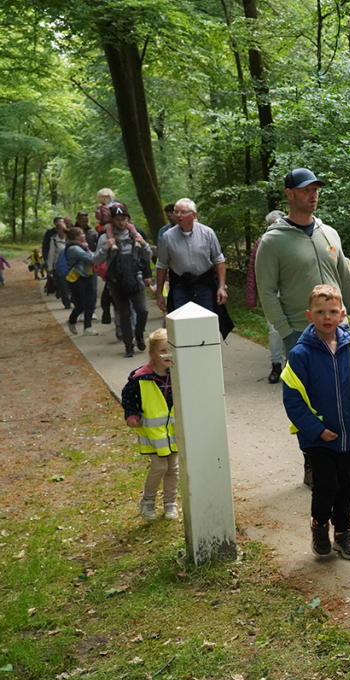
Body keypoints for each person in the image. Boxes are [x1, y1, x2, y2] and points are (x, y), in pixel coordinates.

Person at [255, 168, 350, 487]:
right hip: (301, 335)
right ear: (290, 194)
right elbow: (266, 292)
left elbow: (346, 282)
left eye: (316, 188)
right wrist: (286, 331)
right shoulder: (273, 241)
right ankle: (313, 465)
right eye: (306, 189)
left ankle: (348, 463)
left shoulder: (329, 233)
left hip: (342, 332)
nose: (313, 194)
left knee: (348, 395)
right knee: (311, 400)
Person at [282, 285, 350, 559]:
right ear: (310, 316)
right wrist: (317, 430)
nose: (327, 317)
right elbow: (293, 400)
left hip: (348, 434)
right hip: (318, 437)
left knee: (346, 487)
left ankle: (343, 533)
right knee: (326, 486)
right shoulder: (301, 354)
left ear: (342, 314)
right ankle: (319, 526)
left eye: (333, 312)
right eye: (320, 312)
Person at [121, 328, 178, 522]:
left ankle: (170, 503)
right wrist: (131, 414)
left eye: (170, 350)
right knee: (159, 467)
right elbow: (128, 398)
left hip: (173, 433)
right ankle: (148, 501)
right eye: (162, 350)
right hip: (152, 435)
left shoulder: (178, 374)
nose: (167, 355)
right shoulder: (140, 378)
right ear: (152, 353)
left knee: (173, 468)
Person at [95, 203, 151, 357]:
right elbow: (97, 260)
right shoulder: (104, 237)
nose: (121, 222)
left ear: (128, 219)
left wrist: (143, 243)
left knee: (142, 310)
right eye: (118, 219)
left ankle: (139, 334)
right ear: (112, 220)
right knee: (124, 313)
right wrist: (106, 247)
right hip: (116, 281)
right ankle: (129, 345)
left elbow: (147, 257)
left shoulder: (136, 234)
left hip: (135, 279)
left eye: (124, 218)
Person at [155, 198, 227, 314]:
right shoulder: (167, 237)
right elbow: (162, 265)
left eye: (183, 212)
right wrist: (159, 294)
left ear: (193, 215)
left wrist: (222, 286)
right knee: (182, 321)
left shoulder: (207, 233)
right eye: (176, 212)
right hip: (180, 286)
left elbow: (219, 260)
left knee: (206, 319)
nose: (178, 215)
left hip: (204, 285)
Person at [245, 210, 286, 384]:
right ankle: (276, 364)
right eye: (270, 225)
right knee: (275, 331)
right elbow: (253, 272)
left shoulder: (292, 241)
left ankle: (294, 366)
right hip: (270, 293)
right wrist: (251, 297)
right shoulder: (261, 243)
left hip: (291, 292)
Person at [63, 228, 99, 336]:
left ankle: (88, 327)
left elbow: (92, 255)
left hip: (87, 276)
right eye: (82, 234)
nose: (84, 235)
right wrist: (103, 250)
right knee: (81, 304)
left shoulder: (83, 246)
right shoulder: (74, 248)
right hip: (76, 278)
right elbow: (91, 259)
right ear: (76, 237)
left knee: (91, 302)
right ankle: (72, 321)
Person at [46, 217, 71, 308]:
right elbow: (51, 254)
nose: (62, 230)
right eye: (60, 229)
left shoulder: (70, 239)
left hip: (70, 265)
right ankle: (66, 303)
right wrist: (50, 268)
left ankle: (75, 301)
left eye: (64, 228)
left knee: (72, 285)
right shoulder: (54, 240)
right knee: (63, 286)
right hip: (59, 267)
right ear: (57, 230)